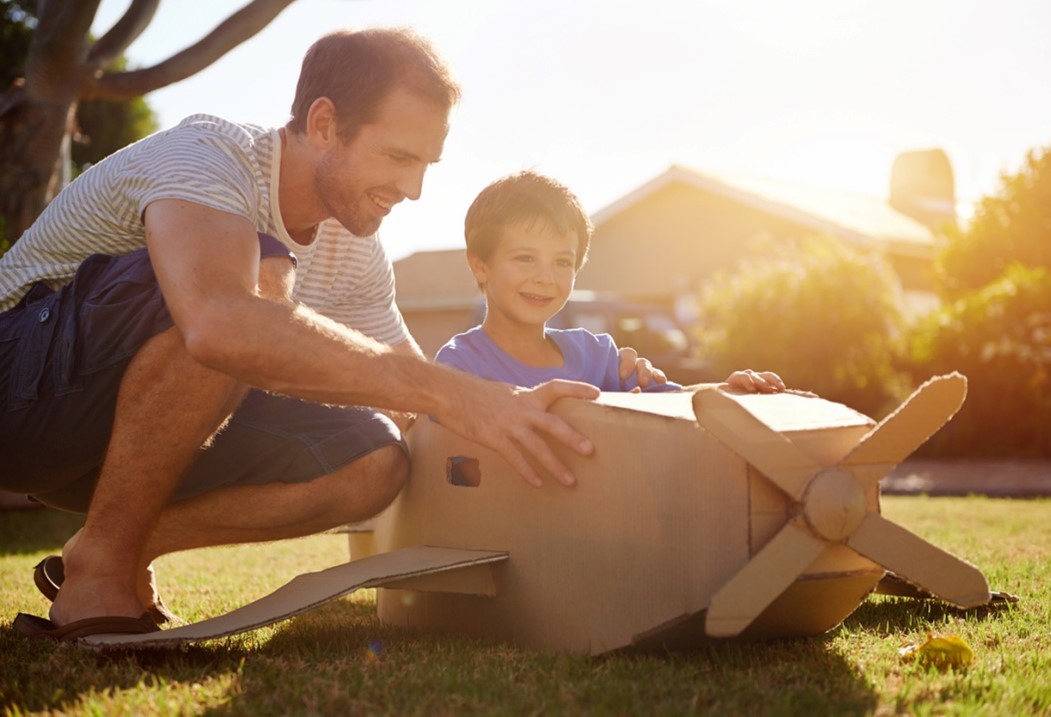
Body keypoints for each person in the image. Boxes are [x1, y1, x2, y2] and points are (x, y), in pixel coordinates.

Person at [0, 29, 659, 640]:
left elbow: (413, 396)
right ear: (323, 124)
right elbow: (219, 320)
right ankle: (104, 578)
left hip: (115, 445)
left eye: (427, 162)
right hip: (18, 397)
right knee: (247, 294)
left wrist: (524, 409)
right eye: (399, 156)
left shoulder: (354, 249)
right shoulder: (209, 156)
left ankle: (111, 546)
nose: (414, 188)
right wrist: (458, 395)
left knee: (373, 454)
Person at [436, 171, 786, 395]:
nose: (545, 277)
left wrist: (725, 391)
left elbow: (677, 404)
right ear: (480, 266)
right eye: (525, 258)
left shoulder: (598, 356)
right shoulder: (460, 367)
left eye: (562, 261)